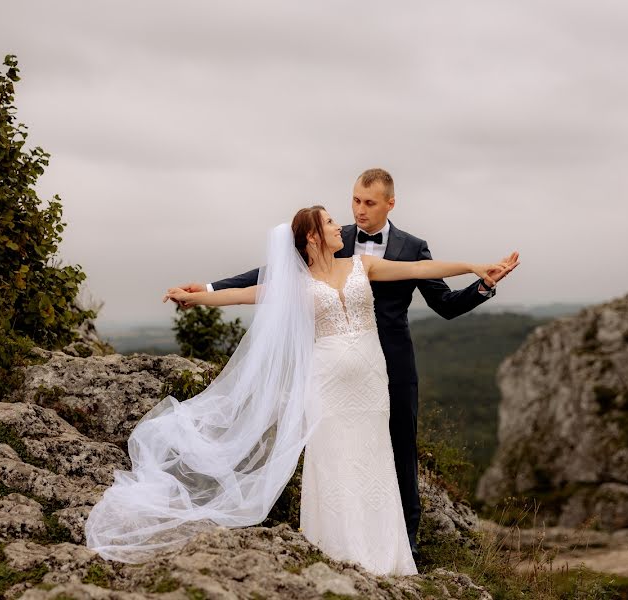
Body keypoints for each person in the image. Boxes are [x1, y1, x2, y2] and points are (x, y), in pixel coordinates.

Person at [84, 205, 517, 575]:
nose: (339, 227)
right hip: (327, 385)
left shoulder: (361, 266)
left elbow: (421, 269)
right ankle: (336, 551)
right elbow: (246, 294)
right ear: (312, 236)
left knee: (374, 461)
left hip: (371, 382)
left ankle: (387, 558)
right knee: (333, 464)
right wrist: (198, 296)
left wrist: (475, 267)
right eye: (330, 222)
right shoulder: (294, 284)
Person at [176, 168, 518, 558]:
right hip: (330, 373)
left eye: (368, 203)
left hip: (389, 367)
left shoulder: (411, 247)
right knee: (335, 455)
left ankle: (404, 544)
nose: (357, 210)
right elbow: (268, 278)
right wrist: (205, 291)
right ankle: (339, 541)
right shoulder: (337, 244)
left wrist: (481, 278)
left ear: (390, 203)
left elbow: (441, 298)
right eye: (354, 200)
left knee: (398, 451)